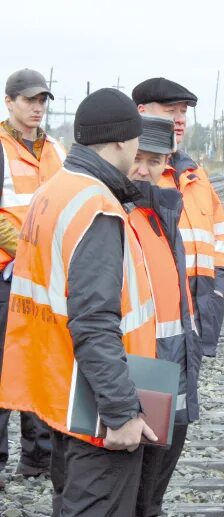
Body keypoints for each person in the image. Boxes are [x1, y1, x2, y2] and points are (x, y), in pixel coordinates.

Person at [0, 88, 159, 516]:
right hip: (95, 407)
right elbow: (93, 321)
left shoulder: (54, 191)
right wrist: (122, 411)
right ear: (123, 141)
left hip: (60, 391)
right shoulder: (97, 207)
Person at [127, 115, 202, 516]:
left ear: (166, 164)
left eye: (154, 161)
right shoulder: (117, 211)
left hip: (170, 359)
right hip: (135, 361)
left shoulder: (162, 211)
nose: (143, 169)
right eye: (137, 158)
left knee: (154, 480)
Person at [132, 78, 224, 358]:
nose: (179, 119)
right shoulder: (135, 173)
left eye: (183, 112)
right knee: (154, 398)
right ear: (141, 111)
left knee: (185, 397)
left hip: (199, 309)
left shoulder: (194, 174)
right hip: (154, 318)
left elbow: (221, 234)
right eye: (169, 111)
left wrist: (220, 288)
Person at [0, 68, 66, 483]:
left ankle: (38, 460)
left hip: (46, 275)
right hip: (8, 274)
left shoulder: (56, 149)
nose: (37, 107)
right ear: (9, 102)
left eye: (42, 101)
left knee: (41, 362)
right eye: (29, 100)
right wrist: (28, 251)